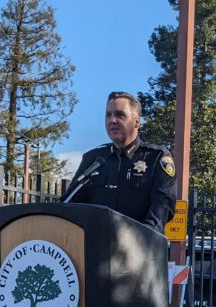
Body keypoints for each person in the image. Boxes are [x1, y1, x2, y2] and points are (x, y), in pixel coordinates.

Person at [61, 91, 178, 230]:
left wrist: (141, 236)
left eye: (120, 115)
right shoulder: (93, 159)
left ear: (137, 121)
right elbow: (71, 203)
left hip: (138, 247)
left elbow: (163, 206)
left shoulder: (156, 158)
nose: (112, 120)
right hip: (94, 245)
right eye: (108, 115)